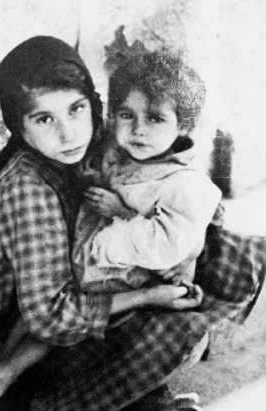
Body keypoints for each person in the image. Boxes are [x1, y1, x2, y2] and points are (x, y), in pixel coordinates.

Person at [0, 36, 266, 411]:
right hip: (41, 330)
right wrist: (149, 294)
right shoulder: (29, 192)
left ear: (94, 105)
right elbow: (52, 316)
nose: (69, 133)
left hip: (91, 280)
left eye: (76, 110)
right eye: (44, 119)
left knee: (238, 253)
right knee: (179, 327)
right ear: (19, 125)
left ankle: (137, 392)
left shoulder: (100, 141)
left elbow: (164, 195)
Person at [72, 52, 222, 295]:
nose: (138, 129)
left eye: (155, 118)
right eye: (126, 115)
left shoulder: (184, 183)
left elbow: (165, 244)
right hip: (99, 265)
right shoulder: (117, 150)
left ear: (184, 125)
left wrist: (121, 212)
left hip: (144, 279)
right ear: (112, 116)